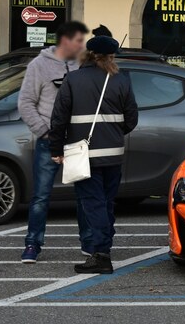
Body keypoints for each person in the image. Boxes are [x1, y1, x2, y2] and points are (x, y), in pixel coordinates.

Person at [49, 35, 139, 274]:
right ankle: (103, 245)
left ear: (87, 55)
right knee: (107, 203)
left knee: (92, 203)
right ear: (111, 57)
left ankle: (100, 254)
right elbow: (131, 119)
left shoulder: (74, 80)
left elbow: (59, 118)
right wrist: (112, 134)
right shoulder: (121, 80)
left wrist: (56, 149)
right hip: (113, 154)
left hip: (84, 154)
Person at [19, 21, 91, 264]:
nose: (82, 45)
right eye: (79, 41)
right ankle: (32, 244)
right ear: (65, 40)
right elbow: (26, 102)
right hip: (49, 141)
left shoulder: (81, 64)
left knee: (84, 193)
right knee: (41, 196)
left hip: (77, 141)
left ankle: (89, 243)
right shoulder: (39, 66)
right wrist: (45, 132)